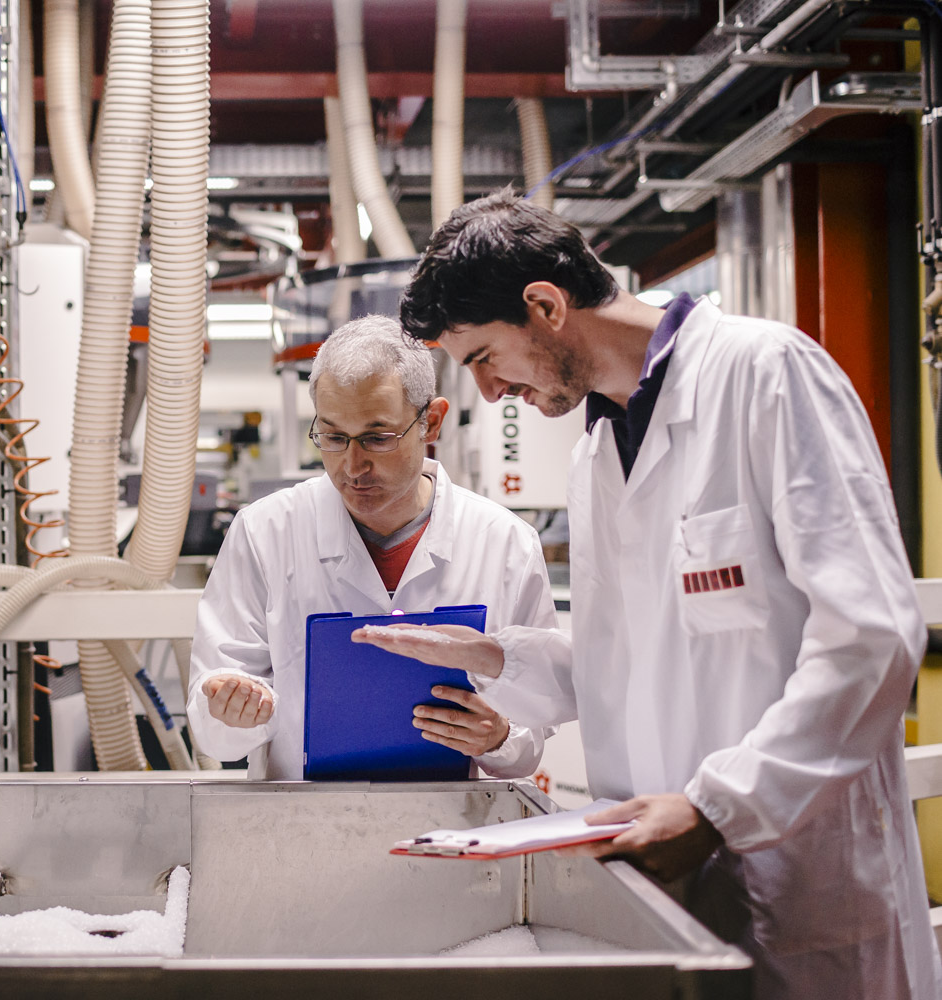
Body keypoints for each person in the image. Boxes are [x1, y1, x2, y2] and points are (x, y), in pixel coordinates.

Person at [359, 187, 941, 1000]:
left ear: (546, 305)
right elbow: (626, 667)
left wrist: (716, 808)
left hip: (802, 873)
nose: (489, 394)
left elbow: (870, 640)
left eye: (486, 356)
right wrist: (491, 656)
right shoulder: (599, 452)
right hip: (668, 880)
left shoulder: (765, 376)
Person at [186, 315, 557, 780]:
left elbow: (531, 736)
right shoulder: (265, 531)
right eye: (334, 437)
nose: (352, 465)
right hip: (300, 830)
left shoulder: (504, 543)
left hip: (450, 832)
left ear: (431, 422)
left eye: (378, 438)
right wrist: (235, 709)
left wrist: (500, 737)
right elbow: (213, 726)